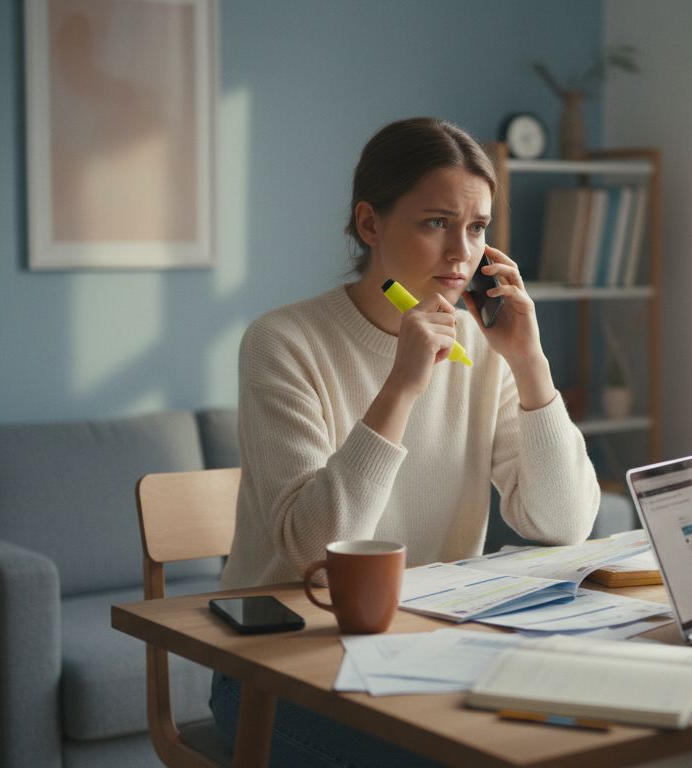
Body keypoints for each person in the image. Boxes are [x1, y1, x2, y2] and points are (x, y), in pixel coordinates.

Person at [211, 117, 601, 766]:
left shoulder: (484, 344)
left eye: (476, 228)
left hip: (426, 660)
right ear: (370, 224)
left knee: (568, 734)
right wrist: (401, 389)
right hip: (276, 675)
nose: (461, 254)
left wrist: (530, 364)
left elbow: (563, 523)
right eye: (435, 223)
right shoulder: (284, 342)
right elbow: (313, 549)